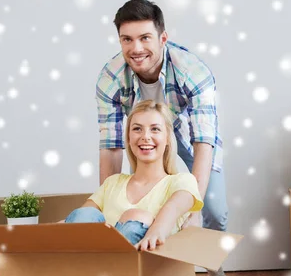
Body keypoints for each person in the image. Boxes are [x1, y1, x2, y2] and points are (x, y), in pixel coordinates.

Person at [95, 0, 233, 276]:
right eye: (127, 39)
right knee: (149, 202)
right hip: (147, 138)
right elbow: (110, 146)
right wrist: (108, 208)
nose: (136, 48)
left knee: (215, 209)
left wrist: (193, 211)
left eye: (145, 38)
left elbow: (203, 142)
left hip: (189, 136)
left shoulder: (193, 72)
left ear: (162, 38)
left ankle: (213, 261)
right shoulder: (109, 78)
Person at [65, 100, 203, 251]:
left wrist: (156, 231)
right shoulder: (112, 183)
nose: (145, 136)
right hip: (92, 262)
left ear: (168, 138)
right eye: (137, 129)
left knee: (138, 217)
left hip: (144, 268)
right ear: (129, 138)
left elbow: (174, 207)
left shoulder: (182, 180)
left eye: (155, 129)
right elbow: (78, 221)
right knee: (86, 214)